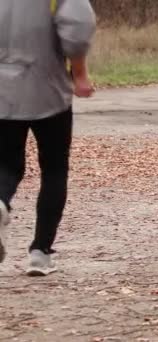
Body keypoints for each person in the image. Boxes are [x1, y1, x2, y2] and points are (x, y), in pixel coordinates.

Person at [0, 0, 96, 276]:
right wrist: (79, 73)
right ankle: (40, 253)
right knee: (54, 169)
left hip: (2, 91)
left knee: (5, 163)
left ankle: (1, 201)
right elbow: (78, 28)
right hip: (47, 89)